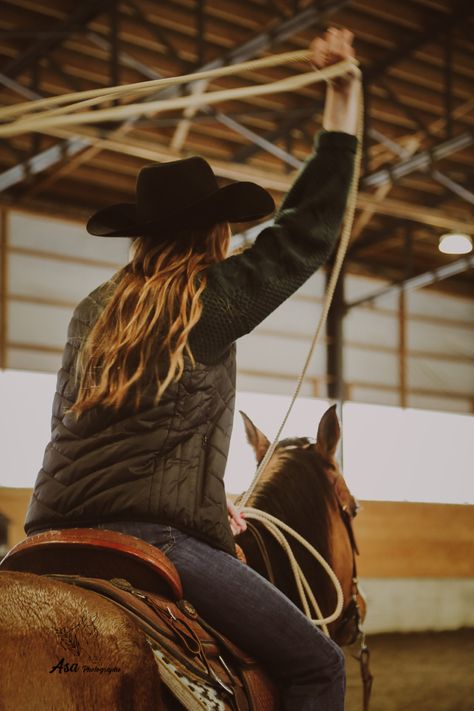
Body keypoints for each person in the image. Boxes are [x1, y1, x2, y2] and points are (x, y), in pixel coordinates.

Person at [25, 27, 360, 711]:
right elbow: (307, 229)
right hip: (156, 541)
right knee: (319, 666)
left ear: (141, 235)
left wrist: (208, 497)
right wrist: (344, 96)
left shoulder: (94, 309)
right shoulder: (208, 298)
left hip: (49, 534)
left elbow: (69, 425)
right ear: (215, 233)